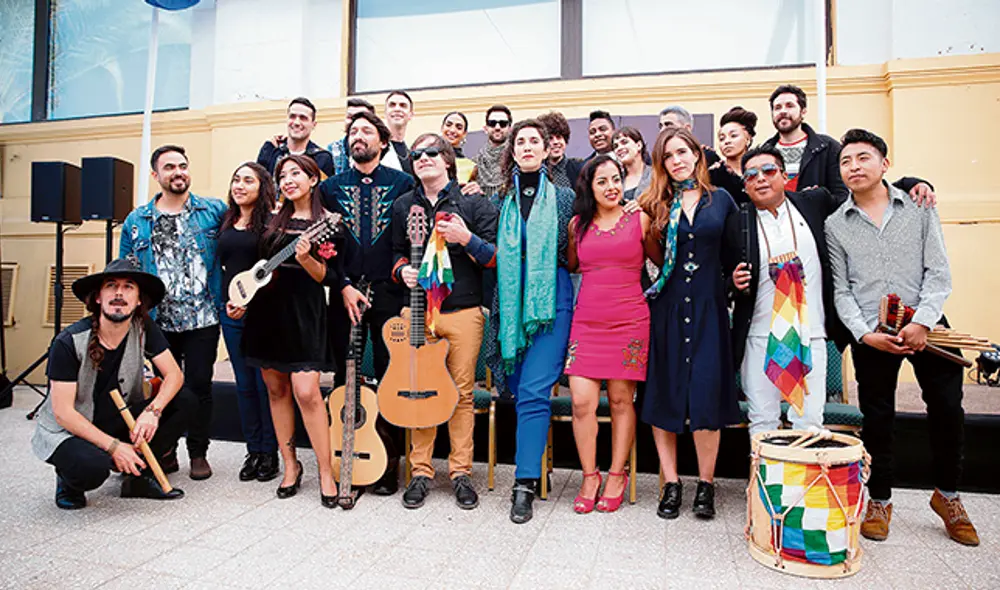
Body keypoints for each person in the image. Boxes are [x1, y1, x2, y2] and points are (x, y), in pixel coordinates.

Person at [826, 128, 979, 547]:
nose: (854, 167)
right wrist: (863, 334)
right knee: (878, 417)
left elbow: (939, 271)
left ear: (884, 164)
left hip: (929, 324)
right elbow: (841, 289)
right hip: (874, 333)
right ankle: (880, 500)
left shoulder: (918, 205)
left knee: (948, 408)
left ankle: (948, 495)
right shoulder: (836, 225)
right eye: (846, 161)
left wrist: (924, 322)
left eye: (863, 158)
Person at [729, 146, 937, 436]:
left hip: (811, 333)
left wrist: (911, 183)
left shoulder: (814, 202)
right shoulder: (736, 221)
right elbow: (720, 272)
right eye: (751, 175)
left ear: (784, 175)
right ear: (745, 184)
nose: (760, 179)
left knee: (809, 422)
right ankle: (764, 482)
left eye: (768, 171)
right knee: (763, 421)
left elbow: (863, 192)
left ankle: (801, 483)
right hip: (759, 335)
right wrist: (732, 282)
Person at [32, 258, 195, 509]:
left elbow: (175, 375)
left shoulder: (143, 328)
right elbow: (63, 414)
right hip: (72, 429)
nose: (119, 293)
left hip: (116, 417)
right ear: (98, 297)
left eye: (129, 286)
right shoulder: (68, 341)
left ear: (139, 300)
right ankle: (68, 481)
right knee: (92, 469)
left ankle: (137, 478)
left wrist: (153, 412)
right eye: (111, 285)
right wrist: (114, 447)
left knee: (184, 400)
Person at [638, 127, 741, 521]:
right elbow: (649, 251)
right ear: (661, 165)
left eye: (683, 152)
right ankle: (671, 482)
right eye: (668, 156)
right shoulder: (655, 204)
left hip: (709, 309)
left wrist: (734, 281)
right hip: (666, 306)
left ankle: (706, 484)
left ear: (697, 155)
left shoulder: (722, 200)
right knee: (663, 392)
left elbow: (734, 255)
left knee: (705, 395)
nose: (677, 160)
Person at [391, 133, 498, 511]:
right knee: (420, 388)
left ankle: (460, 473)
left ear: (448, 160)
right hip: (418, 311)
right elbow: (396, 253)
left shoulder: (473, 201)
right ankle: (420, 472)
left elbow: (494, 257)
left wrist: (466, 238)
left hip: (463, 312)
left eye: (432, 152)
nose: (423, 158)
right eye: (417, 153)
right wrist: (401, 269)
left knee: (461, 394)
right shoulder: (403, 204)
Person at [319, 110, 415, 495]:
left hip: (389, 291)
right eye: (352, 132)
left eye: (365, 131)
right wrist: (341, 284)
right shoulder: (329, 189)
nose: (358, 136)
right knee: (346, 374)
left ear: (382, 141)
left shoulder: (403, 183)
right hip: (344, 292)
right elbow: (327, 249)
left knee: (392, 376)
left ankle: (389, 463)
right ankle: (348, 457)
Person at [485, 119, 576, 524]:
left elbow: (579, 250)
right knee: (521, 393)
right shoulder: (495, 200)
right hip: (508, 303)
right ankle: (530, 469)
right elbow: (485, 251)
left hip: (549, 303)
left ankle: (523, 484)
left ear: (546, 150)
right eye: (519, 141)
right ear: (512, 150)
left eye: (533, 141)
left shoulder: (567, 198)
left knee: (536, 391)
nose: (526, 146)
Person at [242, 155, 343, 508]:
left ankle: (326, 471)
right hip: (266, 312)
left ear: (313, 179)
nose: (287, 180)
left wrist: (305, 259)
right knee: (275, 389)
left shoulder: (327, 222)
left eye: (295, 173)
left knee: (307, 392)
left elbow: (327, 277)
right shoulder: (268, 220)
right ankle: (290, 465)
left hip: (305, 313)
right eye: (282, 175)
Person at [120, 144, 226, 481]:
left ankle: (198, 452)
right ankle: (165, 451)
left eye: (182, 165)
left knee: (199, 385)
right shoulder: (137, 221)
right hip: (157, 323)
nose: (178, 172)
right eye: (169, 167)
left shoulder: (213, 211)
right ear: (156, 175)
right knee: (163, 387)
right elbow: (127, 271)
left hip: (203, 317)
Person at [564, 155, 656, 514]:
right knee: (581, 401)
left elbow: (660, 262)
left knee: (621, 401)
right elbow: (571, 265)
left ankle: (617, 474)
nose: (611, 186)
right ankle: (590, 475)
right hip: (586, 322)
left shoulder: (639, 218)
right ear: (590, 187)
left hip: (630, 321)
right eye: (602, 181)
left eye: (616, 179)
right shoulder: (576, 226)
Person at [218, 162, 279, 482]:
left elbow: (274, 274)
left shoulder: (270, 224)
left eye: (248, 180)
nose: (239, 185)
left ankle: (270, 452)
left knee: (265, 385)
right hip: (230, 314)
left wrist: (248, 303)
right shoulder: (225, 221)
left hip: (263, 315)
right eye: (236, 179)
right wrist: (229, 304)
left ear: (262, 187)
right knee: (244, 386)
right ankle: (253, 449)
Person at [761, 84, 847, 199]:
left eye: (789, 106)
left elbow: (841, 195)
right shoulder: (764, 152)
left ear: (803, 111)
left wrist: (817, 199)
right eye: (777, 108)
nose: (783, 111)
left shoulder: (828, 147)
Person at [256, 97, 335, 179]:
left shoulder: (322, 158)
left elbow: (324, 190)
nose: (296, 122)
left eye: (303, 118)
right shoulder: (271, 151)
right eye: (292, 116)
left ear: (313, 125)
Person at [710, 106, 758, 204]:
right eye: (722, 138)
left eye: (733, 136)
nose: (727, 141)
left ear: (748, 139)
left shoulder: (758, 171)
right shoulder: (714, 174)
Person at [329, 97, 377, 176]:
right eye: (349, 117)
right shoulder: (332, 150)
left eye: (359, 117)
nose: (353, 121)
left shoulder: (380, 150)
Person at [472, 104, 513, 197]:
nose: (497, 127)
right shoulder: (475, 163)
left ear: (510, 129)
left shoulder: (517, 159)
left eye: (503, 123)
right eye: (492, 123)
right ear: (485, 129)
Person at [537, 111, 584, 190]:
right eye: (550, 138)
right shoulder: (537, 171)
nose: (555, 142)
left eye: (559, 137)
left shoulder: (579, 168)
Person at [612, 126, 652, 201]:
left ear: (639, 145)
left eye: (624, 142)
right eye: (615, 146)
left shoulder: (656, 175)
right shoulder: (616, 180)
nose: (619, 148)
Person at [440, 111, 477, 184]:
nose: (452, 130)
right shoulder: (428, 157)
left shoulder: (470, 166)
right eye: (448, 125)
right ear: (442, 128)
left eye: (459, 127)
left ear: (464, 134)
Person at [383, 90, 414, 176]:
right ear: (385, 113)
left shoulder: (412, 153)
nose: (397, 109)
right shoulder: (375, 149)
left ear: (410, 115)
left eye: (403, 106)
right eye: (392, 105)